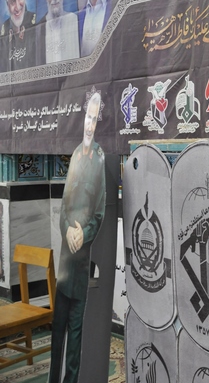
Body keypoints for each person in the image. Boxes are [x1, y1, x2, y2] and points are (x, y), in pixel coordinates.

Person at [49, 92, 106, 383]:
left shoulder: (99, 159)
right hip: (64, 266)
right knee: (57, 334)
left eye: (95, 119)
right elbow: (63, 207)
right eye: (87, 117)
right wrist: (68, 229)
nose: (90, 124)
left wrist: (83, 233)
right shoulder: (73, 155)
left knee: (74, 340)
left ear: (98, 123)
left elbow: (99, 212)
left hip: (81, 265)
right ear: (82, 118)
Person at [1, 0, 37, 71]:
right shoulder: (3, 31)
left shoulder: (36, 23)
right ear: (7, 5)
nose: (17, 6)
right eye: (12, 1)